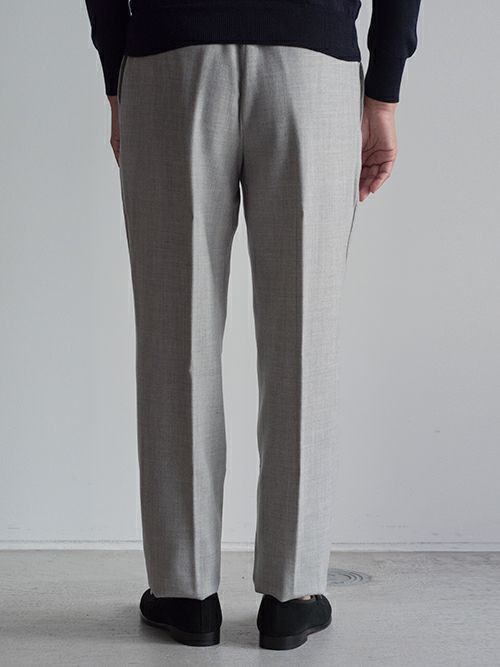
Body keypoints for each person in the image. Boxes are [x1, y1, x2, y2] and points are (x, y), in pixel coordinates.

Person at [84, 0, 421, 651]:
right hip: (311, 60)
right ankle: (293, 592)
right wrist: (383, 93)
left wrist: (117, 73)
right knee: (305, 336)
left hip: (171, 55)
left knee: (175, 336)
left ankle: (185, 592)